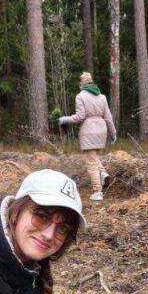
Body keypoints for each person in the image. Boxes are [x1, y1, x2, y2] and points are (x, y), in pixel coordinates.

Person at [57, 72, 117, 202]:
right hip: (101, 131)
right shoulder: (102, 97)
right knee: (94, 157)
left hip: (88, 131)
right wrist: (113, 133)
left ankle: (98, 191)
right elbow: (108, 117)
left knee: (91, 163)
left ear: (82, 83)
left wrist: (65, 119)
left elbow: (80, 116)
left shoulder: (80, 96)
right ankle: (103, 173)